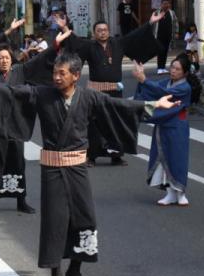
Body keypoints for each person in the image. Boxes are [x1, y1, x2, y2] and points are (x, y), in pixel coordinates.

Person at [0, 52, 178, 276]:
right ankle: (56, 273)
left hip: (77, 168)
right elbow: (12, 92)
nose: (57, 77)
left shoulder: (88, 97)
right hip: (52, 167)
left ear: (75, 75)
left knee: (85, 218)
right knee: (55, 220)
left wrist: (155, 105)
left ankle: (75, 270)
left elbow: (119, 106)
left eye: (62, 73)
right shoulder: (43, 94)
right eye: (54, 73)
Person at [0, 20, 55, 217]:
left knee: (17, 160)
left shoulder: (20, 71)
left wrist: (56, 43)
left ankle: (21, 201)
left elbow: (42, 59)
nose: (4, 60)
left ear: (12, 59)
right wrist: (6, 32)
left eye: (7, 57)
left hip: (16, 120)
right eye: (0, 58)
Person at [61, 14, 160, 165]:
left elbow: (135, 35)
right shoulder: (89, 46)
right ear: (94, 33)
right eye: (99, 30)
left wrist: (150, 22)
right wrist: (64, 27)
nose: (103, 32)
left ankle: (116, 156)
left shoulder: (118, 44)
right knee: (94, 124)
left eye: (105, 30)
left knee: (116, 122)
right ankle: (92, 156)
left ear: (109, 31)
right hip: (95, 91)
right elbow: (75, 42)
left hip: (115, 91)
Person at [132, 56, 193, 206]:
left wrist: (144, 80)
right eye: (172, 67)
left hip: (177, 127)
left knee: (177, 159)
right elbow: (153, 92)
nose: (173, 70)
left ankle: (181, 192)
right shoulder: (166, 82)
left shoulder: (185, 88)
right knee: (162, 158)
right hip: (163, 126)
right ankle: (170, 193)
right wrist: (142, 81)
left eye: (178, 69)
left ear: (185, 73)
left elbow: (162, 92)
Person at [151, 0, 178, 74]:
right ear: (161, 4)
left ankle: (163, 67)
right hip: (159, 35)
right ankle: (159, 68)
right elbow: (152, 23)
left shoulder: (172, 13)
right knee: (160, 51)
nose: (166, 5)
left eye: (167, 3)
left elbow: (176, 23)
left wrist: (176, 32)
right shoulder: (156, 12)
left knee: (165, 51)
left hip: (169, 35)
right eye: (164, 3)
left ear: (169, 4)